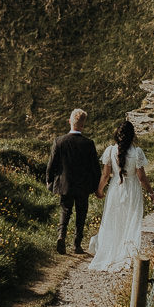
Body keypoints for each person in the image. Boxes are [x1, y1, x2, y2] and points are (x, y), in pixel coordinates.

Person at [88, 118, 154, 273]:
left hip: (115, 189)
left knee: (114, 219)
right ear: (132, 136)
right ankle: (126, 251)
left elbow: (105, 175)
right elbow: (141, 177)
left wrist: (99, 190)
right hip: (132, 189)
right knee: (131, 220)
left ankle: (111, 248)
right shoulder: (137, 152)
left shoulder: (110, 151)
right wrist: (150, 191)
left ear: (117, 135)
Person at [45, 108, 101, 255]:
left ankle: (61, 236)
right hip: (83, 185)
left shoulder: (59, 141)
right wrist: (96, 186)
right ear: (83, 125)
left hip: (65, 184)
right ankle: (77, 244)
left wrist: (49, 181)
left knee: (65, 210)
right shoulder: (89, 143)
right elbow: (95, 168)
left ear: (69, 121)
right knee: (81, 213)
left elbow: (51, 165)